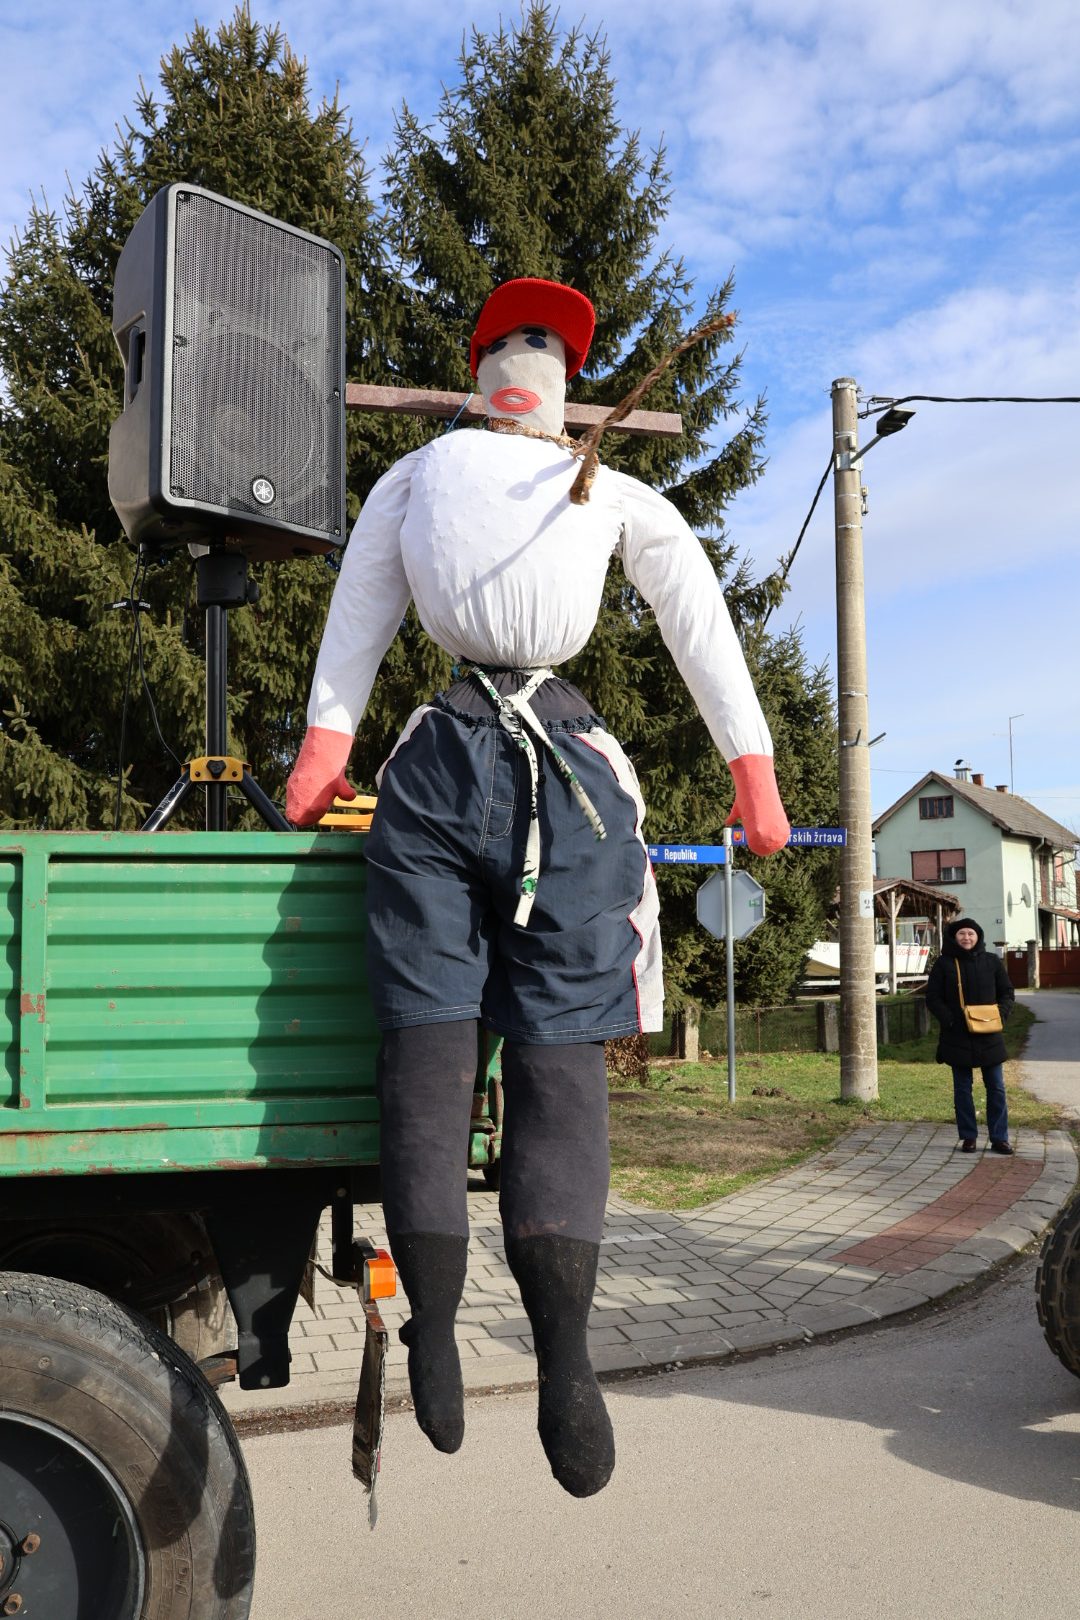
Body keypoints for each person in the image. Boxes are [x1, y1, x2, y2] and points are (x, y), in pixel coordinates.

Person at [286, 277, 790, 1497]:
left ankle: (567, 1356)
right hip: (442, 764)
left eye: (548, 346)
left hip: (564, 781)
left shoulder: (614, 489)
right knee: (427, 1051)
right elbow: (362, 599)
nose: (527, 357)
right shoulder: (421, 475)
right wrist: (327, 745)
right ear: (476, 369)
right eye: (508, 339)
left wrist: (752, 764)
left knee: (562, 1071)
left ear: (573, 385)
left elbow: (697, 620)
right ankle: (437, 1332)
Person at [925, 916, 1015, 1154]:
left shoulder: (992, 961)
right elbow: (932, 997)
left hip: (989, 1034)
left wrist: (1000, 1015)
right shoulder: (944, 964)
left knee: (996, 1087)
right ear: (955, 937)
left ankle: (1000, 1138)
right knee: (962, 1089)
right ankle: (968, 1136)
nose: (967, 938)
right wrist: (951, 1020)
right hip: (957, 1036)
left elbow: (1007, 992)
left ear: (978, 937)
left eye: (971, 934)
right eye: (962, 934)